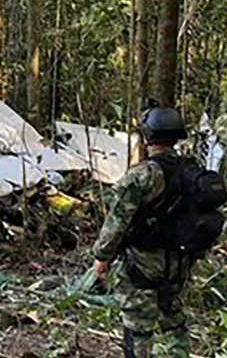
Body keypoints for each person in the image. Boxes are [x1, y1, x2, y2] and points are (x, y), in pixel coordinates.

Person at [92, 107, 192, 358]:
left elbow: (117, 221)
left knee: (138, 324)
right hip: (179, 261)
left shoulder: (142, 175)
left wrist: (102, 256)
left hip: (142, 262)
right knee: (173, 316)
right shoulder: (190, 169)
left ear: (147, 137)